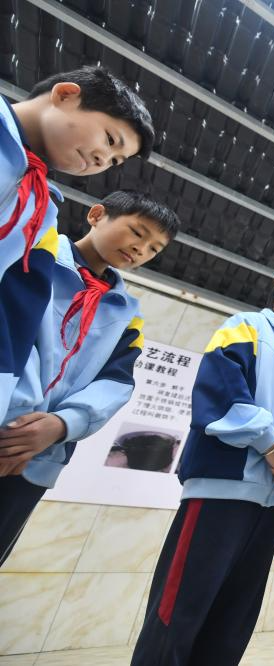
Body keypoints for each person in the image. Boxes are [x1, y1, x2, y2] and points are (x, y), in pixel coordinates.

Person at [132, 260, 274, 666]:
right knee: (183, 602)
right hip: (222, 486)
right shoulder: (245, 327)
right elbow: (223, 391)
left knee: (237, 609)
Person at [0, 190, 178, 565]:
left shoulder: (127, 314)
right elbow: (13, 333)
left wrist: (61, 424)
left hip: (40, 454)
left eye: (154, 249)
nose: (141, 250)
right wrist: (20, 422)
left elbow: (116, 382)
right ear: (97, 214)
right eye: (137, 232)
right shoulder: (33, 256)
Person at [0, 66, 154, 418]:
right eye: (110, 139)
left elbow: (14, 316)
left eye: (115, 161)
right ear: (65, 95)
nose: (103, 160)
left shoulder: (42, 213)